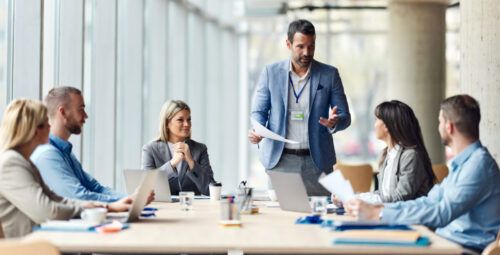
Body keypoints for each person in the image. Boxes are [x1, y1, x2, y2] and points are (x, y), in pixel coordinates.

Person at [345, 95, 500, 252]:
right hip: (446, 242)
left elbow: (442, 212)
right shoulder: (463, 163)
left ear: (449, 127)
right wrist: (379, 210)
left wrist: (379, 213)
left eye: (440, 121)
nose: (438, 126)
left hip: (464, 248)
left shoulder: (478, 165)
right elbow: (429, 201)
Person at [0, 99, 131, 238]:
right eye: (46, 123)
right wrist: (87, 210)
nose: (50, 127)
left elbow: (57, 199)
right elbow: (47, 211)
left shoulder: (26, 161)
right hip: (26, 248)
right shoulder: (11, 163)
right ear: (35, 131)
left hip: (38, 243)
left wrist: (105, 207)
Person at [248, 19, 350, 195]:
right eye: (300, 46)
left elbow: (345, 116)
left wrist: (335, 121)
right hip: (280, 160)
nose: (307, 52)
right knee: (281, 218)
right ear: (288, 44)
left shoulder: (329, 74)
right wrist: (258, 129)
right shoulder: (270, 73)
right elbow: (259, 111)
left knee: (321, 215)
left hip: (317, 161)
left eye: (311, 46)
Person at [31, 87, 126, 202]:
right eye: (81, 109)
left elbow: (96, 188)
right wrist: (121, 202)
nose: (85, 116)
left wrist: (129, 198)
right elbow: (78, 197)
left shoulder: (66, 153)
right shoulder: (47, 154)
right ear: (63, 112)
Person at [353, 100, 435, 204]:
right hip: (390, 215)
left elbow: (400, 198)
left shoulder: (410, 155)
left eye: (376, 120)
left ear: (387, 125)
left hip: (407, 218)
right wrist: (353, 197)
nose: (374, 125)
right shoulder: (386, 154)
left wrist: (358, 200)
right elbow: (383, 195)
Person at [141, 100, 214, 195]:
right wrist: (171, 164)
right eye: (180, 120)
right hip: (163, 208)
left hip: (193, 208)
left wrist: (192, 163)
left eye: (189, 119)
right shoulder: (150, 149)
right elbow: (145, 188)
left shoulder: (200, 149)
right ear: (167, 123)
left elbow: (211, 189)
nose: (187, 124)